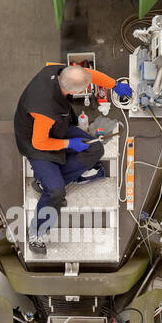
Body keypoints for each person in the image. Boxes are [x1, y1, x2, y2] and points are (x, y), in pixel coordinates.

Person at [13, 62, 133, 254]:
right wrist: (69, 144)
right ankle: (36, 231)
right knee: (56, 192)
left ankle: (44, 183)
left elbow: (86, 75)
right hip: (36, 142)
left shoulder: (55, 70)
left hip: (58, 126)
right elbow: (40, 143)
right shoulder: (44, 109)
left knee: (95, 149)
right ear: (70, 90)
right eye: (85, 88)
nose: (88, 87)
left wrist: (113, 85)